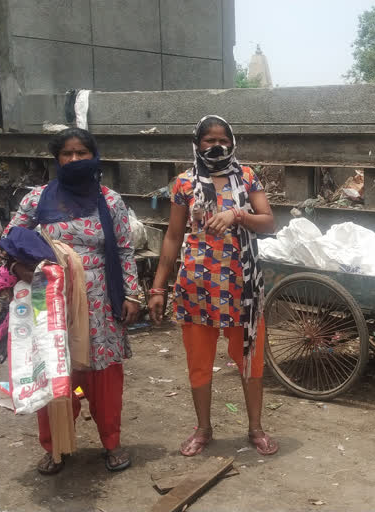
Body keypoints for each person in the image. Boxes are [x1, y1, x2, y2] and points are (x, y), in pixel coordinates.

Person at [4, 128, 141, 474]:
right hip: (51, 300)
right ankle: (56, 447)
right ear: (57, 159)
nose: (75, 159)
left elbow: (124, 250)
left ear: (94, 157)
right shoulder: (37, 200)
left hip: (99, 302)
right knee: (54, 372)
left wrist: (130, 294)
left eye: (82, 153)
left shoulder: (109, 201)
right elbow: (10, 240)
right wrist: (20, 267)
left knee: (104, 378)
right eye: (68, 154)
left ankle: (111, 442)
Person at [148, 115, 278, 457]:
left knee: (250, 359)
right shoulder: (184, 183)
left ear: (233, 143)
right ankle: (203, 429)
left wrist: (238, 215)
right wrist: (158, 288)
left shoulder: (247, 177)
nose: (217, 145)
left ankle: (255, 428)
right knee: (199, 361)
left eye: (223, 140)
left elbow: (268, 222)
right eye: (209, 140)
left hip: (243, 287)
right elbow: (173, 236)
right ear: (197, 143)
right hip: (196, 286)